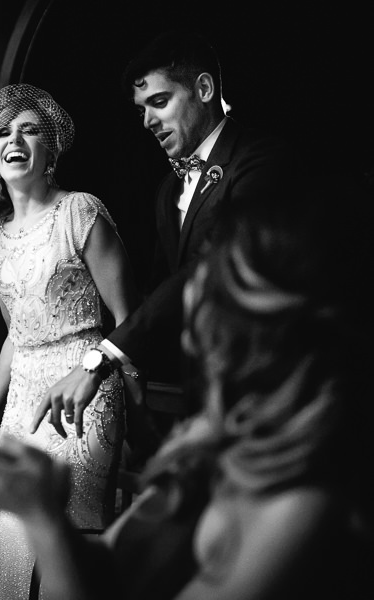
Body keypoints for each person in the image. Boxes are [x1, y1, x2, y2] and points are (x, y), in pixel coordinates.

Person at [0, 193, 373, 600]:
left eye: (220, 299)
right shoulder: (210, 443)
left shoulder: (304, 506)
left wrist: (40, 513)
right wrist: (40, 510)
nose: (194, 326)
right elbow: (104, 573)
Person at [32, 31, 297, 441]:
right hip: (196, 395)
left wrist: (103, 358)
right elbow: (159, 287)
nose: (148, 122)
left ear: (204, 89)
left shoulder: (261, 161)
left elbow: (209, 265)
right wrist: (131, 375)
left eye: (159, 102)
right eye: (141, 110)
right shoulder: (168, 190)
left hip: (267, 392)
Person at [0, 83, 142, 600]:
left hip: (83, 391)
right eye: (3, 133)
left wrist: (115, 382)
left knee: (67, 532)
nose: (13, 140)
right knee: (11, 535)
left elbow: (130, 317)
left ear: (51, 149)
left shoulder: (79, 211)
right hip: (21, 401)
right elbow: (17, 333)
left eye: (29, 129)